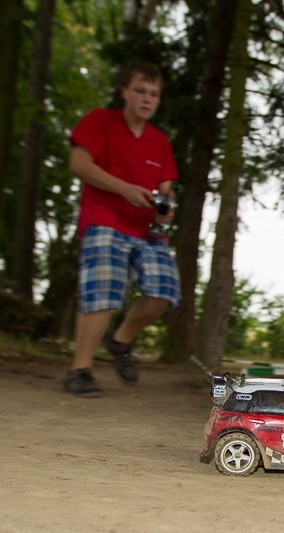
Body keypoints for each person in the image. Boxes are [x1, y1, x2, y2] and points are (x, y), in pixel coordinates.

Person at [64, 61, 181, 397]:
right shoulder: (100, 121)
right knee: (103, 289)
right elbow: (78, 163)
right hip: (104, 219)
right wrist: (124, 189)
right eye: (140, 91)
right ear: (125, 92)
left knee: (165, 292)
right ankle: (80, 370)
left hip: (146, 230)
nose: (147, 99)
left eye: (154, 94)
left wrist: (166, 209)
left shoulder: (159, 141)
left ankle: (120, 341)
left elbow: (167, 188)